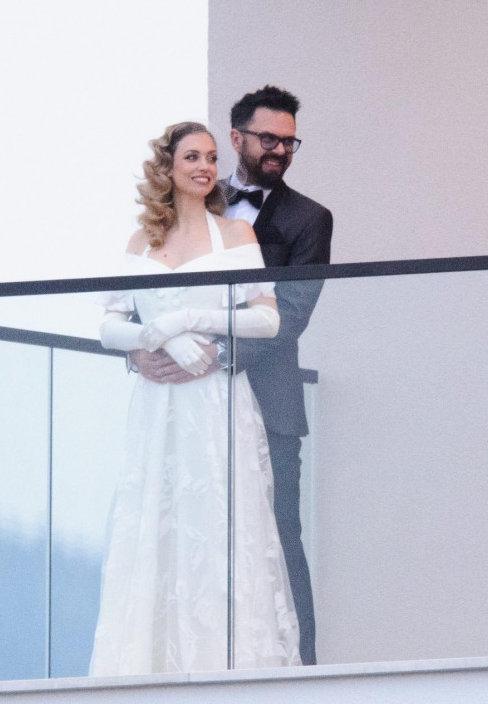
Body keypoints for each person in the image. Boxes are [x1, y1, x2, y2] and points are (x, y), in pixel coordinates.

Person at [89, 121, 301, 675]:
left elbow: (267, 319)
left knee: (219, 524)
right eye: (192, 157)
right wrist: (149, 344)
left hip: (214, 402)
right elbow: (108, 325)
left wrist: (190, 321)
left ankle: (227, 669)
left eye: (210, 157)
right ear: (168, 166)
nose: (205, 167)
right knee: (156, 523)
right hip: (157, 405)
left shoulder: (236, 235)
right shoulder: (140, 242)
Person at [131, 86, 332, 665]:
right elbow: (141, 297)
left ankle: (299, 674)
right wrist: (139, 354)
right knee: (182, 527)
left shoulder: (310, 219)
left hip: (267, 404)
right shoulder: (187, 199)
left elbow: (290, 314)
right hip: (180, 404)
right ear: (238, 137)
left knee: (276, 536)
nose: (280, 150)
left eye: (289, 142)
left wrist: (211, 357)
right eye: (268, 138)